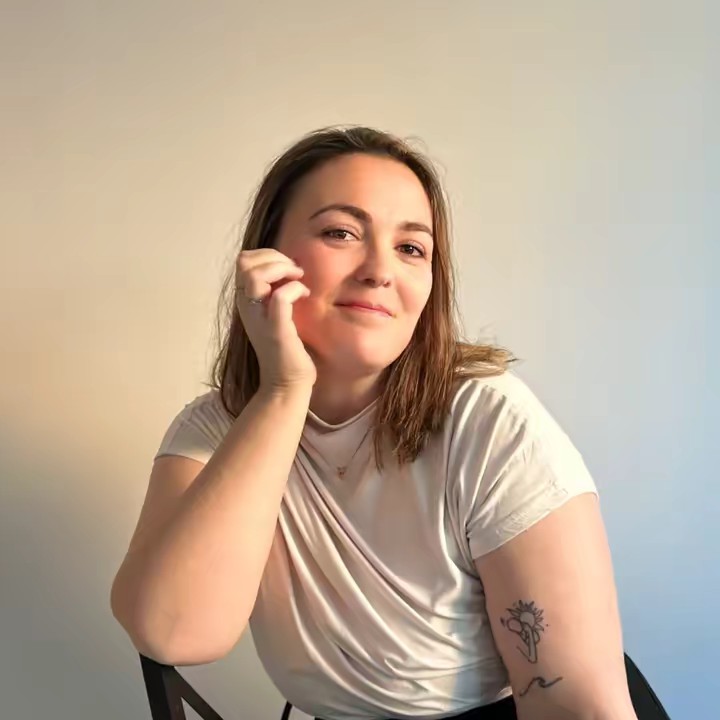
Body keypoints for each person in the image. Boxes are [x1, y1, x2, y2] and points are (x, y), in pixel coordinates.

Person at [110, 126, 638, 720]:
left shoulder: (489, 421)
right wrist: (284, 390)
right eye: (341, 233)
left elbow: (576, 704)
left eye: (411, 248)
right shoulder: (215, 428)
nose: (381, 270)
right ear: (268, 257)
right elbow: (172, 633)